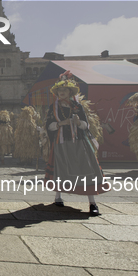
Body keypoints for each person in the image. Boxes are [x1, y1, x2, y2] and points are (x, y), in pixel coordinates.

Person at [44, 71, 108, 216]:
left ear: (70, 91)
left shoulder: (78, 107)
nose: (62, 93)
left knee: (86, 169)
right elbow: (49, 125)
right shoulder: (53, 107)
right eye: (60, 90)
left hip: (79, 142)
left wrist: (79, 122)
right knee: (61, 169)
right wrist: (61, 123)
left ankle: (92, 203)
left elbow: (86, 125)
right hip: (61, 142)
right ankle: (58, 197)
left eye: (64, 90)